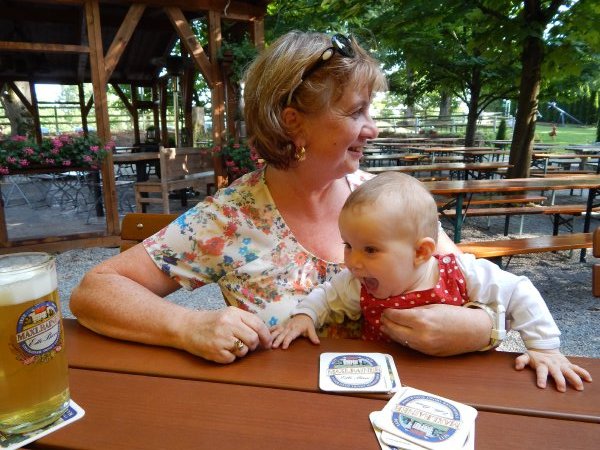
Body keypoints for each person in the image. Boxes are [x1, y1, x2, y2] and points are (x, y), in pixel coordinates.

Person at [70, 31, 494, 364]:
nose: (373, 128)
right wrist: (187, 326)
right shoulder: (230, 218)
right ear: (294, 123)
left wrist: (480, 328)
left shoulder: (389, 201)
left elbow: (470, 284)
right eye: (356, 112)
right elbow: (95, 290)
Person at [270, 172, 592, 391]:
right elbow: (327, 295)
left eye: (370, 250)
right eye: (348, 245)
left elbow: (519, 290)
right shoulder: (359, 283)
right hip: (384, 384)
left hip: (458, 381)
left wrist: (544, 347)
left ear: (421, 252)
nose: (352, 261)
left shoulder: (459, 272)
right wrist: (305, 315)